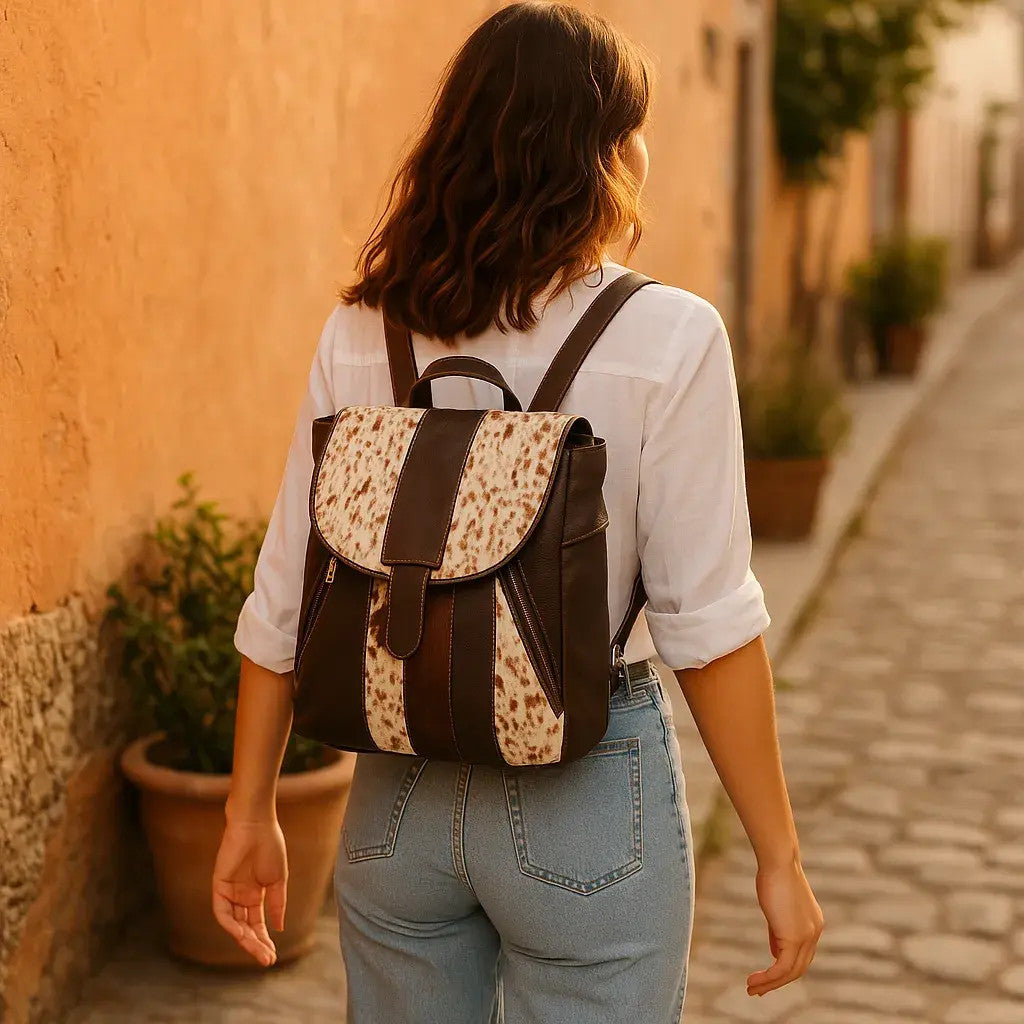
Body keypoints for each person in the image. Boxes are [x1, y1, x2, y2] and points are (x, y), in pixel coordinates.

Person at [214, 3, 823, 1020]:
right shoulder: (667, 336)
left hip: (395, 785)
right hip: (584, 790)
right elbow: (708, 625)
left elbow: (286, 597)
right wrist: (778, 855)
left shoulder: (364, 327)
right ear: (599, 154)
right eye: (635, 127)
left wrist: (250, 809)